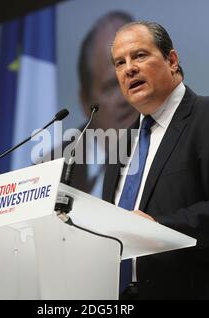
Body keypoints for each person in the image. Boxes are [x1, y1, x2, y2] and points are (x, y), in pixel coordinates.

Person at [103, 21, 209, 299]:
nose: (129, 68)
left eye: (139, 55)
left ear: (172, 60)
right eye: (120, 62)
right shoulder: (121, 143)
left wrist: (160, 229)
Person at [61, 11, 138, 196]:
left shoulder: (175, 147)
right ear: (85, 100)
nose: (125, 96)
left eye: (132, 78)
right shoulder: (51, 166)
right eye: (111, 86)